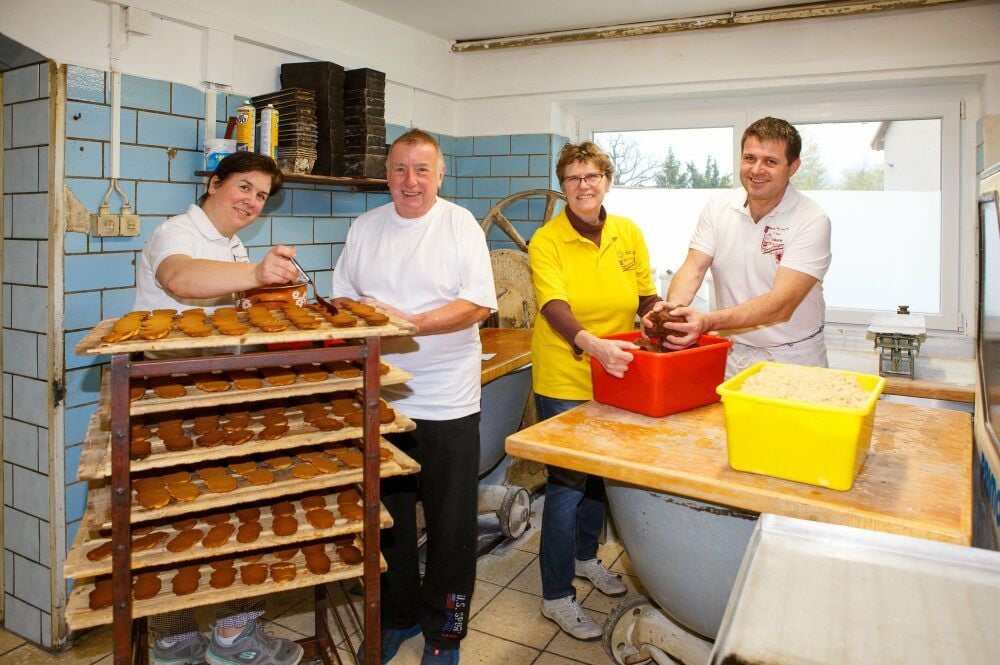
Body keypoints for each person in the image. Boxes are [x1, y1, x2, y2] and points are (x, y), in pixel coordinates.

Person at [331, 128, 497, 665]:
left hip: (447, 400)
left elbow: (477, 305)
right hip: (383, 402)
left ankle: (444, 633)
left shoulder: (459, 224)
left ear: (440, 175)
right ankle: (398, 617)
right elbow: (342, 297)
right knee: (390, 521)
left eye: (422, 169)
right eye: (400, 169)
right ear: (387, 175)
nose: (410, 181)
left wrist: (409, 324)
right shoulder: (364, 227)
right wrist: (361, 316)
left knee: (450, 526)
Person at [134, 151, 304, 665]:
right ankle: (172, 640)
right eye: (244, 187)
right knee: (174, 518)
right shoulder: (176, 234)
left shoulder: (232, 246)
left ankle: (232, 635)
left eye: (261, 195)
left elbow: (231, 311)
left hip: (218, 393)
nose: (251, 201)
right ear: (214, 182)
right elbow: (181, 280)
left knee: (239, 510)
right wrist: (255, 273)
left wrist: (277, 300)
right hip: (171, 399)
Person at [528, 141, 660, 640]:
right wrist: (594, 346)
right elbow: (554, 306)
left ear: (607, 179)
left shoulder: (627, 232)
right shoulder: (547, 240)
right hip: (567, 372)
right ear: (562, 186)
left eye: (591, 176)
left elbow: (645, 295)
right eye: (572, 179)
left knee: (597, 480)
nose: (583, 186)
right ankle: (555, 596)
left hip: (615, 374)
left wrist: (661, 319)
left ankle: (586, 558)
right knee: (564, 489)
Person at [645, 117, 832, 376]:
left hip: (793, 359)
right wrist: (673, 311)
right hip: (732, 356)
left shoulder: (811, 219)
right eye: (750, 158)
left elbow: (781, 304)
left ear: (793, 166)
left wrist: (708, 321)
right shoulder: (719, 206)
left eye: (770, 161)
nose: (757, 169)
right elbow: (694, 267)